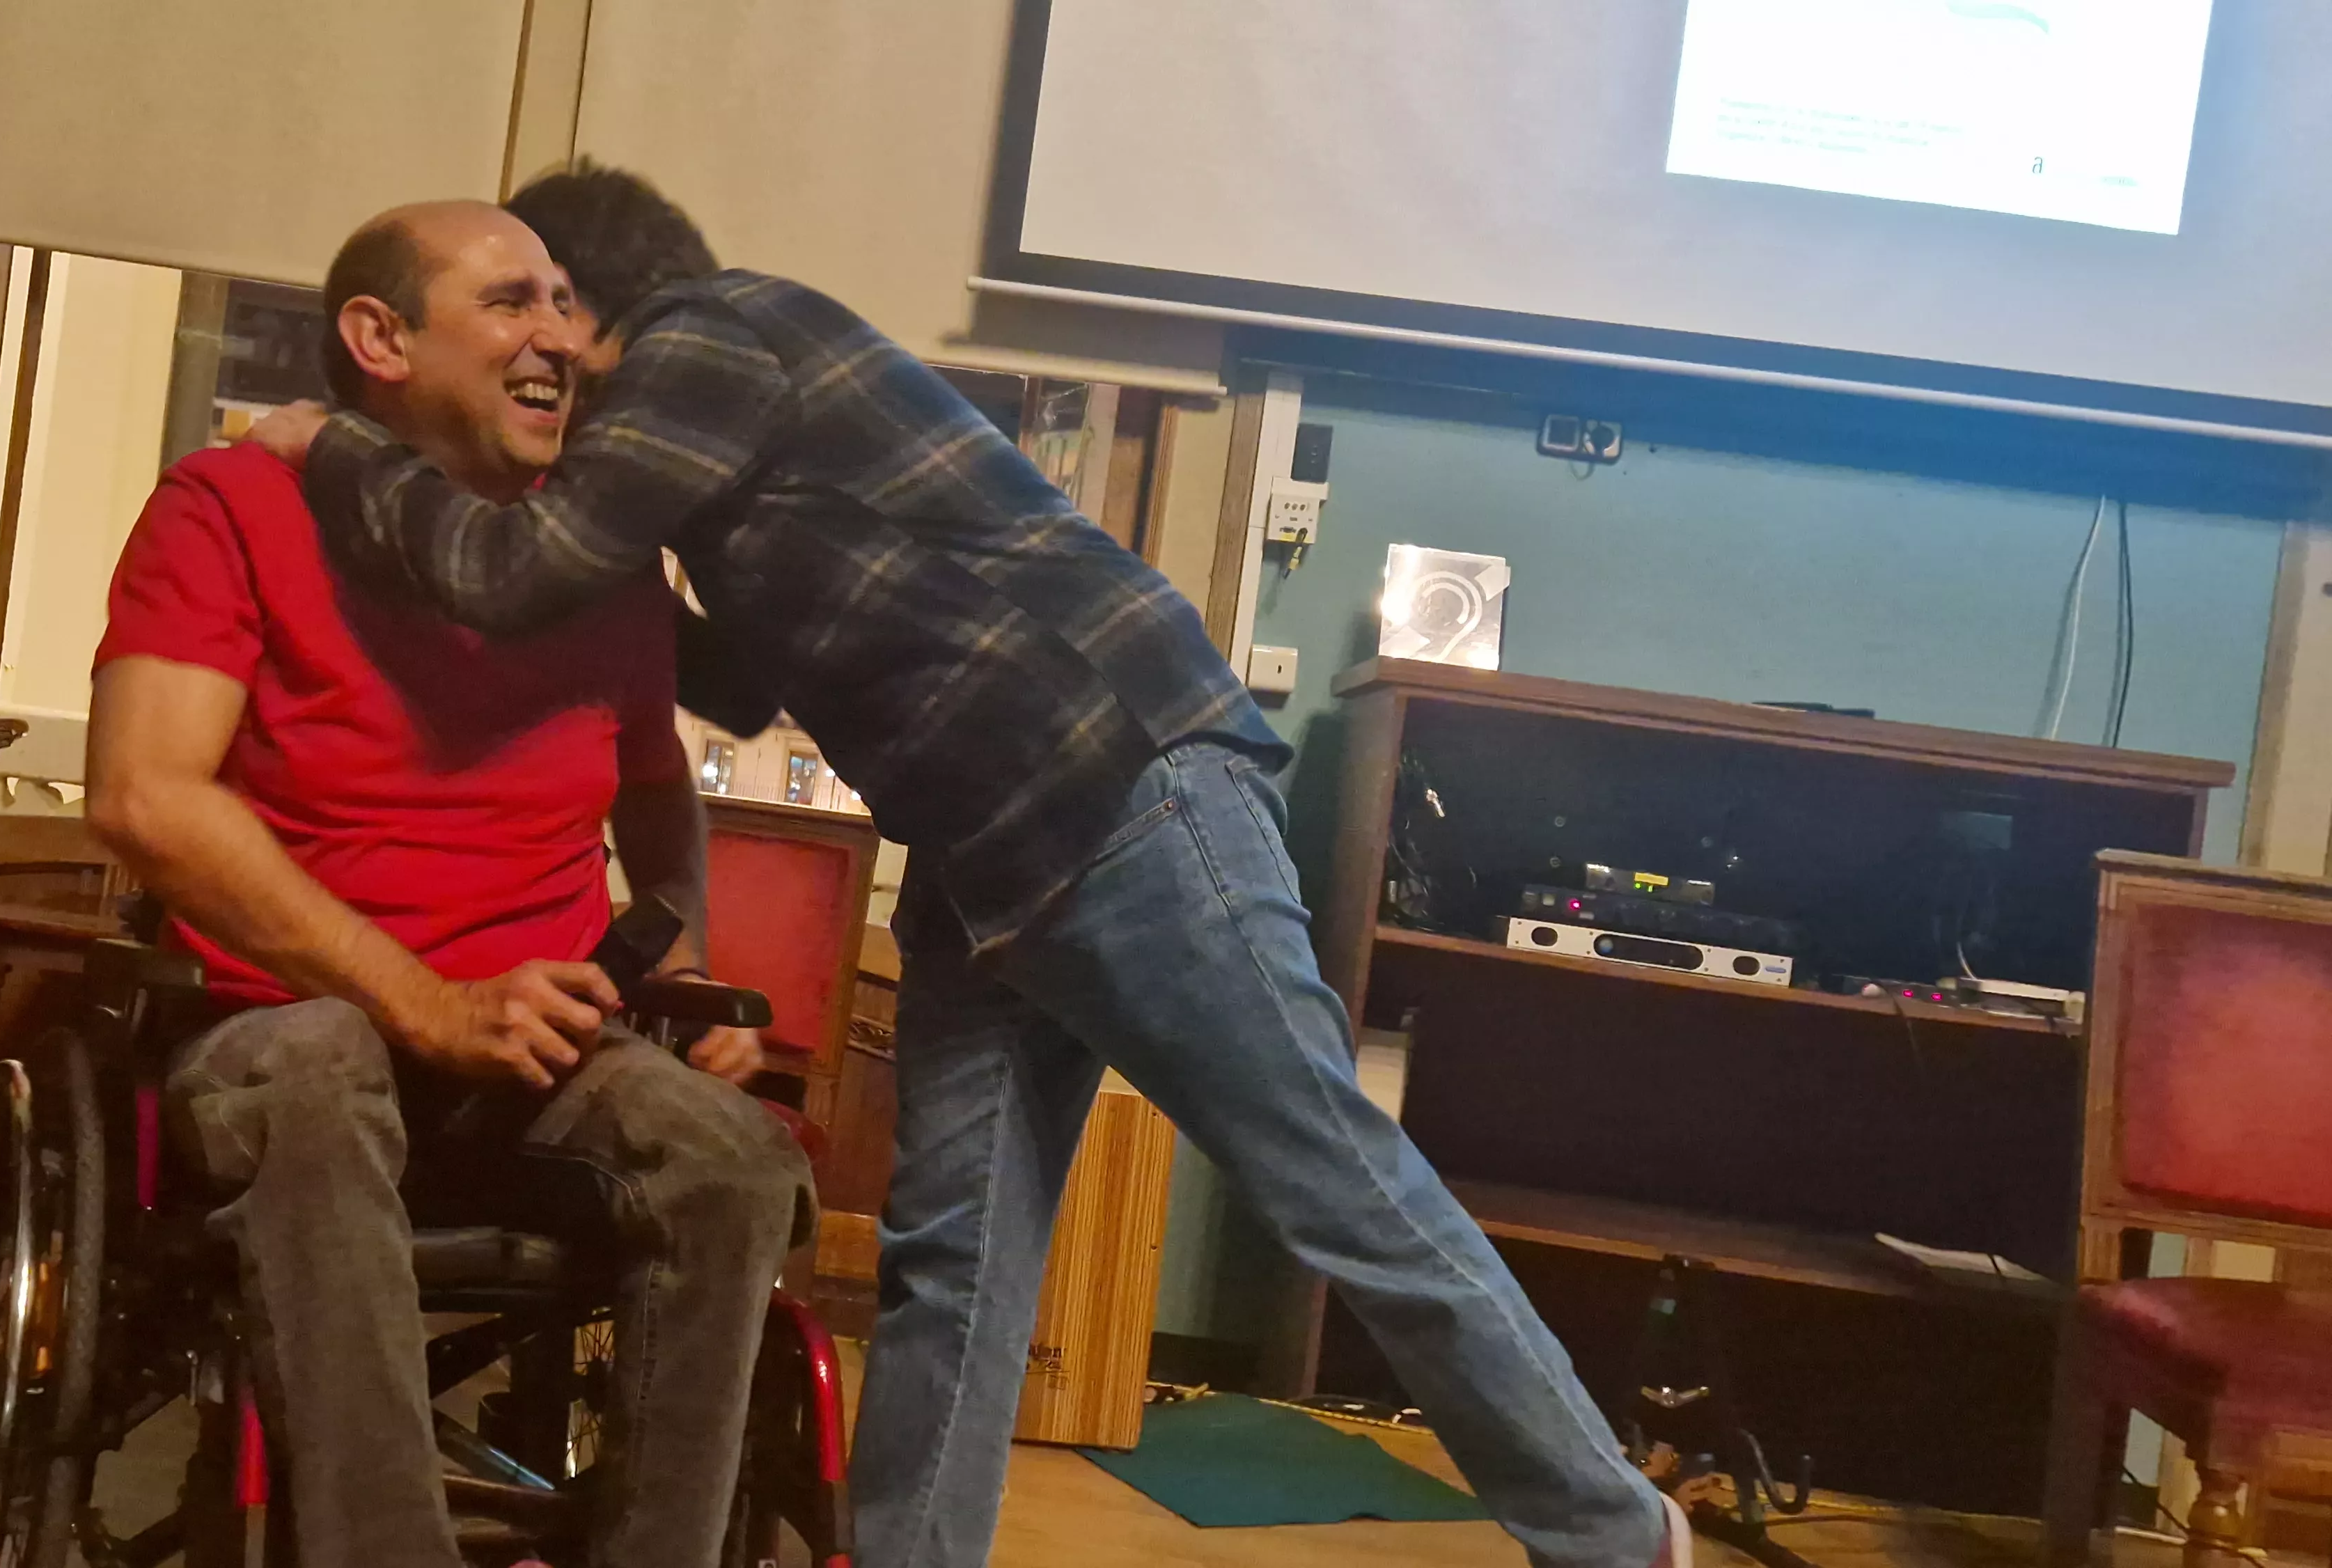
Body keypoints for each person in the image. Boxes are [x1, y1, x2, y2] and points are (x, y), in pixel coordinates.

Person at [248, 164, 1691, 1568]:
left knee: (1331, 1183)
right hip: (982, 849)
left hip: (1120, 789)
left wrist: (334, 451)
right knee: (955, 1267)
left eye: (546, 309)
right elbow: (737, 684)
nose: (540, 352)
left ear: (594, 303)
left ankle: (1616, 1535)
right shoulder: (728, 427)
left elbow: (512, 573)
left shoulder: (710, 336)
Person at [85, 199, 810, 1568]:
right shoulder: (231, 504)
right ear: (379, 337)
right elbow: (144, 795)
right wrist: (420, 1000)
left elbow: (653, 782)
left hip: (530, 1050)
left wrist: (676, 950)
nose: (561, 338)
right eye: (512, 302)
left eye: (564, 303)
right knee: (319, 1064)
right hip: (280, 1025)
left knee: (733, 1155)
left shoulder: (592, 553)